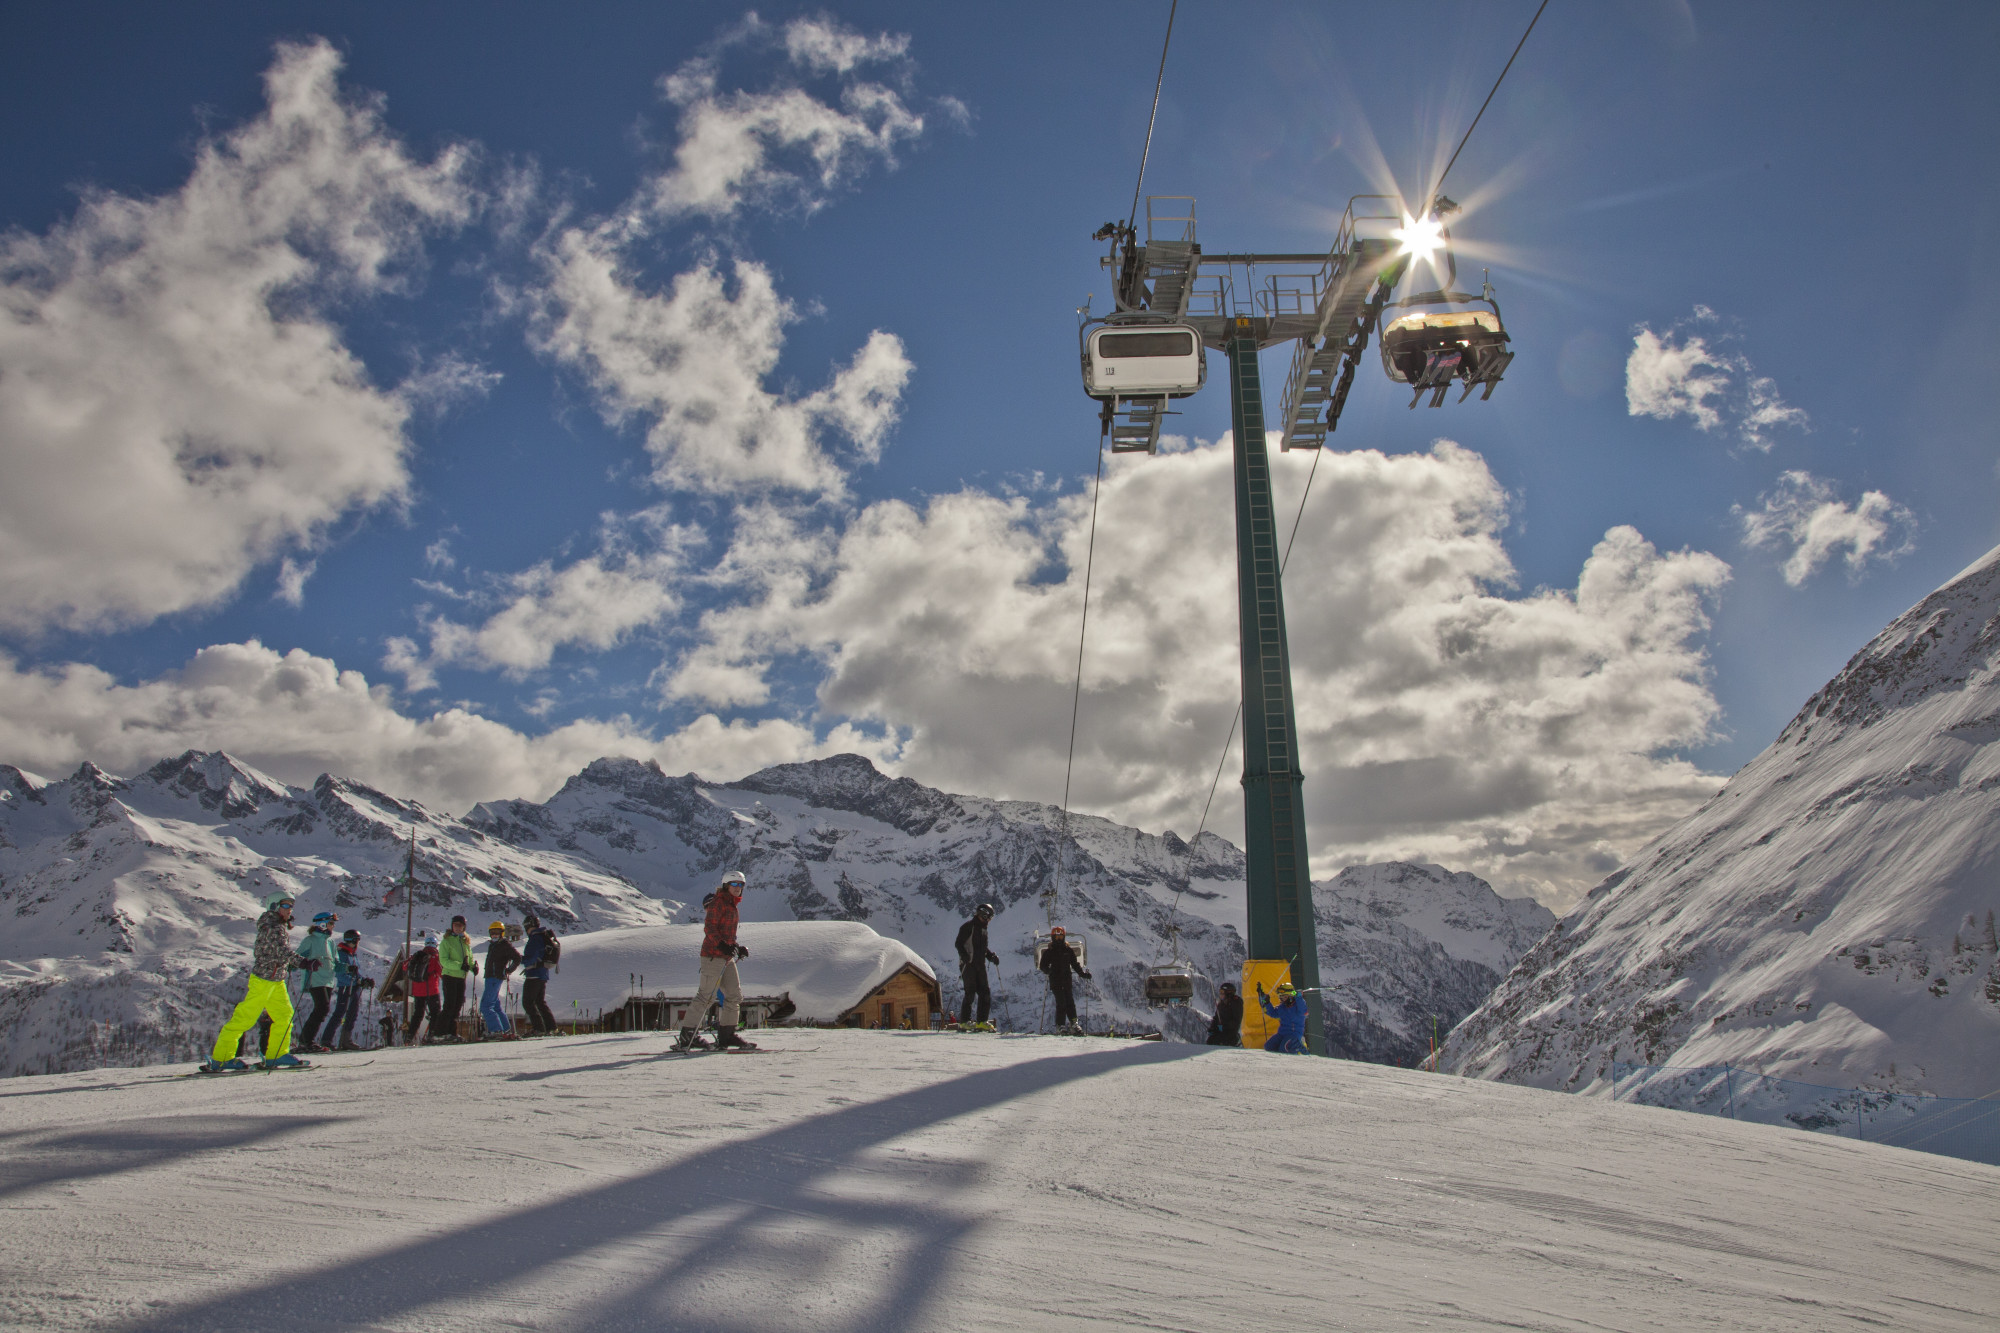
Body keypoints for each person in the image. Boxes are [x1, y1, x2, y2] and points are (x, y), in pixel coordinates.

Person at [201, 892, 316, 1072]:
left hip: (275, 980)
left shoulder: (277, 925)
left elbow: (278, 952)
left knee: (284, 1015)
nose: (289, 910)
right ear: (274, 907)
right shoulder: (272, 927)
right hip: (263, 981)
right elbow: (280, 950)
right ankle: (221, 1058)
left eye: (290, 906)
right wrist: (302, 962)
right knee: (244, 1018)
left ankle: (276, 1055)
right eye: (285, 905)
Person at [675, 870, 756, 1051]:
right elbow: (710, 928)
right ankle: (688, 1036)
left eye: (741, 885)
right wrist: (721, 945)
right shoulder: (718, 903)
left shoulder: (732, 905)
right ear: (726, 885)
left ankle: (727, 1036)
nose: (738, 888)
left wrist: (737, 947)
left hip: (726, 957)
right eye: (734, 884)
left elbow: (726, 933)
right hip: (712, 956)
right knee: (706, 996)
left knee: (734, 995)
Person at [294, 911, 340, 1052]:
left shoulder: (331, 942)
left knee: (322, 1009)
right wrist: (305, 963)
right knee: (322, 1008)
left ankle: (306, 1041)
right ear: (322, 923)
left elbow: (336, 961)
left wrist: (347, 968)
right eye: (330, 923)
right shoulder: (310, 940)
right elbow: (298, 957)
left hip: (328, 980)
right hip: (315, 979)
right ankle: (306, 1041)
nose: (333, 926)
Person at [954, 903, 999, 1027]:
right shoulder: (968, 927)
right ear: (982, 914)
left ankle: (981, 1022)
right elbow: (958, 943)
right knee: (970, 992)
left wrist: (991, 957)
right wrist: (964, 956)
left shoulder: (984, 930)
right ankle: (964, 1022)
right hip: (968, 964)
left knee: (985, 992)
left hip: (980, 964)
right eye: (988, 917)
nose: (989, 920)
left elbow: (983, 949)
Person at [1039, 926, 1090, 1033]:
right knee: (1061, 1002)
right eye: (1057, 937)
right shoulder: (1049, 951)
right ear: (1053, 937)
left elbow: (1075, 964)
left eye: (1061, 936)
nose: (1059, 939)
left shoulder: (1068, 950)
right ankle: (1061, 1025)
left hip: (1066, 981)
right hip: (1056, 981)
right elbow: (1042, 965)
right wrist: (1048, 971)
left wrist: (1082, 974)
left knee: (1070, 1002)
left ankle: (1074, 1024)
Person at [326, 928, 371, 1050]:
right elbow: (341, 973)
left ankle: (345, 1040)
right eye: (357, 940)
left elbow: (357, 971)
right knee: (340, 1013)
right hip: (346, 986)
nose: (358, 943)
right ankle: (326, 1040)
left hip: (354, 986)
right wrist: (357, 980)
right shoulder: (342, 953)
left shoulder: (352, 953)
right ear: (353, 940)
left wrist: (363, 980)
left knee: (352, 1013)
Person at [437, 915, 478, 1042]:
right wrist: (460, 966)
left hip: (461, 977)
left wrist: (472, 967)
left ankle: (451, 1033)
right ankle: (440, 1033)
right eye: (455, 925)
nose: (457, 928)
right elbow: (443, 961)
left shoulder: (465, 942)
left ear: (463, 927)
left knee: (457, 1005)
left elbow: (469, 959)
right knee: (449, 1004)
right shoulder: (447, 941)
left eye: (460, 926)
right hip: (449, 975)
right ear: (452, 926)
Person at [480, 921, 522, 1039]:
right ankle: (505, 1029)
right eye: (492, 933)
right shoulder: (493, 945)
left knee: (486, 1006)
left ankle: (496, 1030)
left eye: (497, 933)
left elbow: (517, 958)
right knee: (495, 1005)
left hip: (495, 977)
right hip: (490, 977)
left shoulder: (505, 945)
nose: (494, 935)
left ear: (502, 933)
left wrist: (509, 970)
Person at [520, 913, 559, 1036]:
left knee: (528, 1002)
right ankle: (551, 1028)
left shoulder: (535, 938)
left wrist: (521, 960)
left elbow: (532, 956)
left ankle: (539, 1029)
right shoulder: (543, 936)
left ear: (528, 926)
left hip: (534, 974)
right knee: (540, 1002)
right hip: (543, 974)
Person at [403, 933, 444, 1045]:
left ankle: (409, 1038)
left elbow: (405, 966)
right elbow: (442, 972)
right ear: (436, 945)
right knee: (435, 1013)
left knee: (418, 1014)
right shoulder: (435, 958)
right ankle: (432, 1035)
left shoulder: (417, 956)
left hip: (418, 990)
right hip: (432, 990)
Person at [1256, 980, 1308, 1054]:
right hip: (1282, 1034)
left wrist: (1298, 997)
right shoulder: (1282, 1007)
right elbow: (1272, 1013)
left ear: (1290, 996)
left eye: (1284, 996)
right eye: (1280, 996)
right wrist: (1266, 1002)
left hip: (1294, 1035)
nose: (1281, 998)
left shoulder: (1297, 1006)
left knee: (1284, 1048)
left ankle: (1300, 1047)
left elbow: (1304, 1010)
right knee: (1268, 1047)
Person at [1205, 981, 1244, 1047]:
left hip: (1230, 1034)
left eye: (1222, 992)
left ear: (1229, 993)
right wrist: (1212, 1028)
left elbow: (1236, 1021)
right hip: (1221, 1032)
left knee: (1218, 1041)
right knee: (1210, 1040)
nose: (1220, 994)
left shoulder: (1236, 1003)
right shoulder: (1221, 1004)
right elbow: (1216, 1018)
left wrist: (1224, 1026)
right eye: (1220, 992)